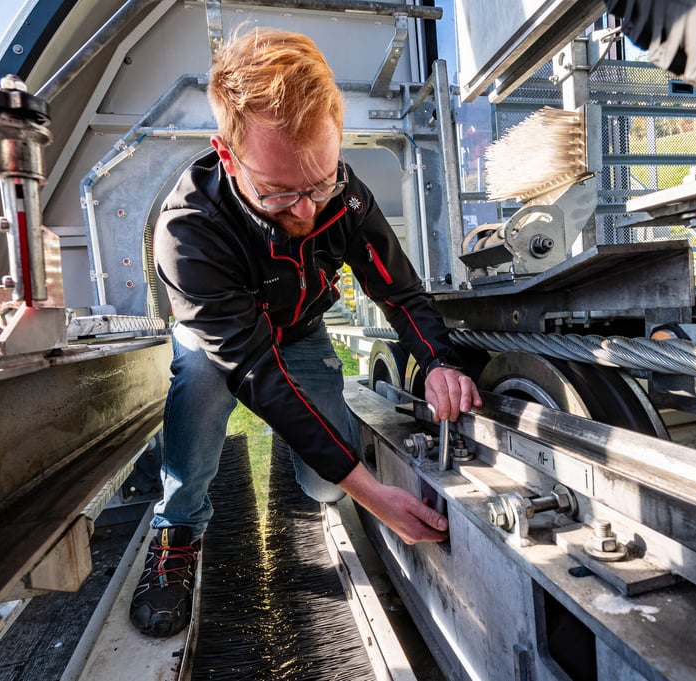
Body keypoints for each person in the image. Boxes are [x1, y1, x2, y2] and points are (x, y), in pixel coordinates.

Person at [129, 27, 482, 638]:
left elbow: (396, 289)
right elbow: (255, 374)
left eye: (318, 182)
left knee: (325, 487)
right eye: (278, 191)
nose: (304, 210)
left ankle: (313, 462)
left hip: (301, 330)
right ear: (226, 152)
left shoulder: (343, 195)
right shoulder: (189, 232)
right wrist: (375, 495)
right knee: (201, 378)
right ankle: (177, 529)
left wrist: (438, 361)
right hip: (225, 346)